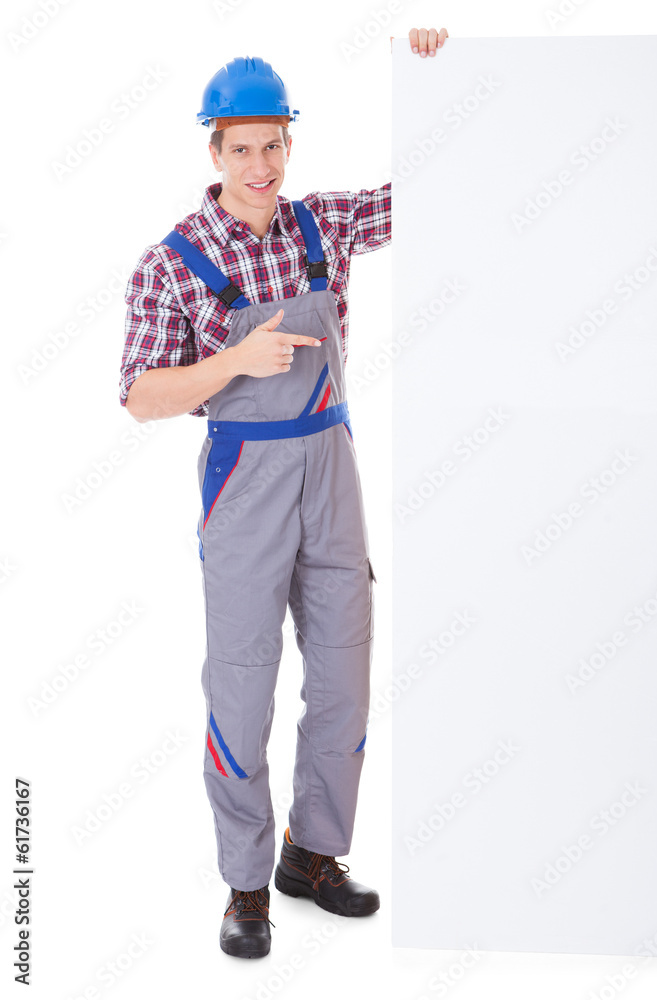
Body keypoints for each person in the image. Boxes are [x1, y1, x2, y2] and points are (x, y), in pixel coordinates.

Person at [119, 26, 449, 959]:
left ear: (288, 143)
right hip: (244, 483)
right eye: (242, 147)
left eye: (275, 144)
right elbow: (141, 395)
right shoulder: (172, 262)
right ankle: (244, 884)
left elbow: (439, 187)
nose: (261, 165)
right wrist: (230, 361)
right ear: (212, 150)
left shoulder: (324, 225)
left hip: (329, 470)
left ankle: (311, 854)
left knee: (343, 672)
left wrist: (436, 74)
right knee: (243, 685)